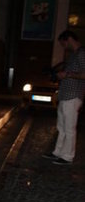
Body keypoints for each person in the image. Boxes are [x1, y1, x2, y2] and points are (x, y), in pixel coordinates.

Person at [42, 29, 85, 165]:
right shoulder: (73, 55)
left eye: (63, 44)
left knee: (69, 128)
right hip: (65, 95)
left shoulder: (82, 53)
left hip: (73, 95)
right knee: (61, 127)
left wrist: (67, 74)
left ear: (69, 39)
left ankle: (67, 157)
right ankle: (58, 152)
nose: (63, 47)